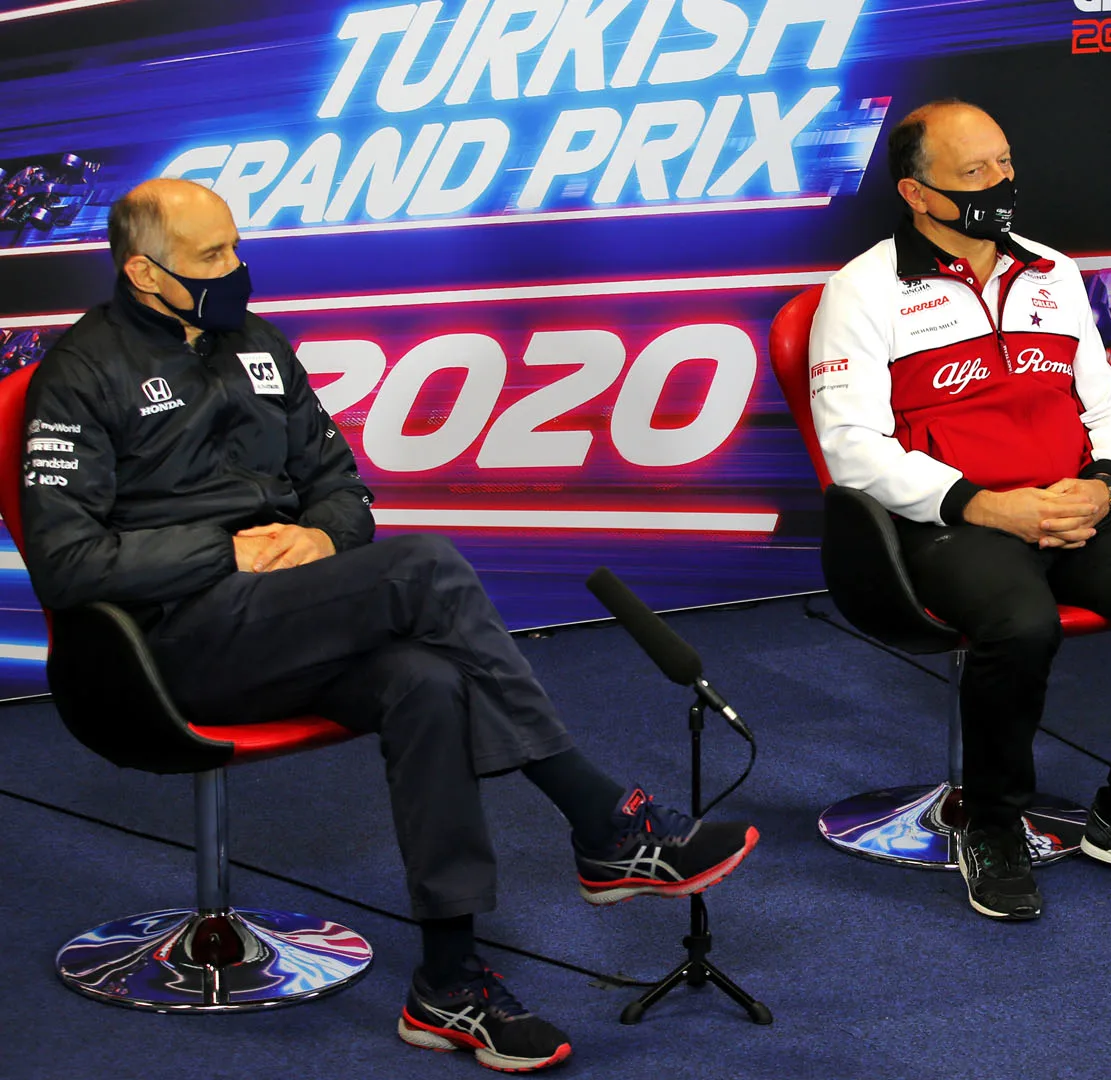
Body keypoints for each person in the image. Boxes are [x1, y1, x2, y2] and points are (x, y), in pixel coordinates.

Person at [18, 178, 759, 1071]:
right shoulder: (79, 373)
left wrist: (317, 532)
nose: (237, 270)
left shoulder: (256, 343)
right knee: (428, 567)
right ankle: (604, 822)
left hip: (280, 623)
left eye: (236, 248)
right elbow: (65, 564)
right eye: (212, 257)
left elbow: (342, 486)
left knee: (428, 680)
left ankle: (448, 982)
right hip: (164, 648)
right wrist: (225, 553)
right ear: (143, 271)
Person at [809, 100, 1111, 920]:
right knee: (1022, 624)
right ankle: (993, 820)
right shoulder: (862, 290)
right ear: (916, 193)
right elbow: (851, 448)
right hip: (949, 524)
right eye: (973, 174)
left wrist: (1107, 484)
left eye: (1004, 164)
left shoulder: (1054, 272)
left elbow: (1104, 408)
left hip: (1071, 508)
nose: (999, 185)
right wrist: (984, 506)